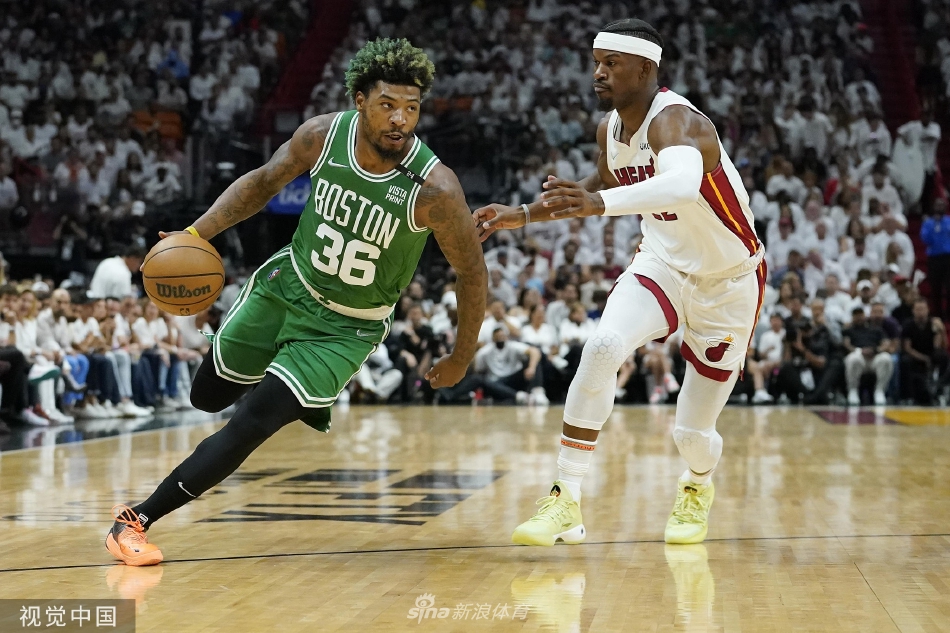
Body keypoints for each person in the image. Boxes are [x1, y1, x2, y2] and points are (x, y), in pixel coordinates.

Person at [105, 38, 487, 566]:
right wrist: (195, 234)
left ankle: (134, 521)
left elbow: (472, 273)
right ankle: (264, 370)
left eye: (412, 107)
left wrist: (462, 356)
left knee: (251, 423)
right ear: (360, 101)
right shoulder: (322, 136)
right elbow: (261, 184)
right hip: (287, 286)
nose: (401, 119)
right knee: (207, 397)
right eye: (387, 105)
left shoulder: (436, 189)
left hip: (344, 329)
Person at [474, 19, 766, 546]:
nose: (599, 73)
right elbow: (600, 184)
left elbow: (680, 185)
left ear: (646, 69)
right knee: (604, 344)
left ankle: (696, 485)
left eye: (612, 63)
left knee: (692, 433)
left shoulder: (677, 121)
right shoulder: (609, 129)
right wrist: (523, 214)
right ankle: (565, 498)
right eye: (596, 63)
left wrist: (597, 204)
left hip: (728, 281)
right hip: (661, 262)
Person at [843, 306, 894, 405]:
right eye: (856, 315)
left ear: (865, 316)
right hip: (858, 354)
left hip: (875, 355)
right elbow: (846, 344)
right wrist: (859, 351)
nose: (859, 318)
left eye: (860, 315)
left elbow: (886, 343)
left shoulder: (876, 329)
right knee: (853, 359)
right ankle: (853, 391)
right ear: (852, 317)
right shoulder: (848, 330)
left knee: (886, 359)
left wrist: (876, 350)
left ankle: (880, 391)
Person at [900, 298, 947, 405]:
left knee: (942, 356)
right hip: (914, 355)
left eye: (923, 309)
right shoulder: (908, 325)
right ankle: (908, 396)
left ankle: (940, 389)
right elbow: (907, 348)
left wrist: (942, 330)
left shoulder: (934, 323)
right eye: (918, 309)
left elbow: (941, 346)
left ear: (928, 310)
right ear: (913, 311)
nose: (920, 312)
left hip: (931, 353)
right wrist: (924, 359)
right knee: (905, 361)